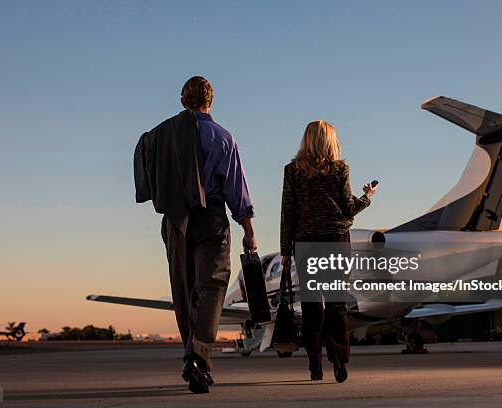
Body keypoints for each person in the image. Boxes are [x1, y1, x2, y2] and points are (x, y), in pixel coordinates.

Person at [134, 76, 257, 394]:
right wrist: (248, 231)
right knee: (213, 287)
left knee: (184, 291)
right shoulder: (222, 137)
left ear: (182, 100)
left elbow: (146, 175)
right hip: (210, 220)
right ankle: (198, 358)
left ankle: (194, 359)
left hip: (175, 222)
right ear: (210, 101)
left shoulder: (159, 136)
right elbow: (236, 189)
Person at [279, 120, 376, 383]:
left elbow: (288, 212)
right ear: (331, 141)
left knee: (311, 305)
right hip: (335, 241)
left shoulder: (292, 171)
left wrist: (285, 251)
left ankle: (314, 364)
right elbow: (348, 208)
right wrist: (367, 196)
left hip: (306, 244)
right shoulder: (339, 169)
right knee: (336, 303)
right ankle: (339, 358)